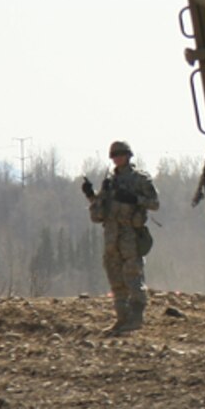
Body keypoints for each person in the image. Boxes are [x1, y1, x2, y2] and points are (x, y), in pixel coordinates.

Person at [82, 140, 160, 334]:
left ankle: (135, 318)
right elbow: (100, 211)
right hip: (111, 236)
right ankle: (122, 318)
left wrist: (135, 199)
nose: (117, 159)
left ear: (128, 155)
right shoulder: (109, 182)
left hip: (130, 235)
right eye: (114, 156)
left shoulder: (139, 179)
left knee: (133, 276)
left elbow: (155, 203)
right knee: (115, 277)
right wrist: (91, 196)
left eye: (120, 155)